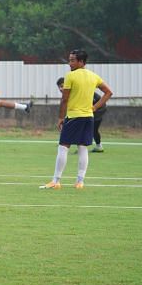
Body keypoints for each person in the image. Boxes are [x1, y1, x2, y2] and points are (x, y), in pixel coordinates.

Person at [41, 49, 112, 190]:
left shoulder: (70, 76)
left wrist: (61, 117)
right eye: (69, 60)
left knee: (63, 146)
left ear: (81, 62)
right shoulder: (93, 76)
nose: (70, 63)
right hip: (88, 118)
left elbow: (65, 99)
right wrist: (94, 108)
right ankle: (80, 182)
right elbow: (108, 92)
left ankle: (56, 181)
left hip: (74, 117)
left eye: (72, 60)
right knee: (82, 147)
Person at [56, 77, 107, 153]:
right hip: (89, 112)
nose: (61, 88)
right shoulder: (69, 94)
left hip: (97, 110)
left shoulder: (77, 92)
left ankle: (81, 146)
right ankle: (97, 146)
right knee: (93, 130)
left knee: (85, 128)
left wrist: (94, 108)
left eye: (62, 86)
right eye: (59, 87)